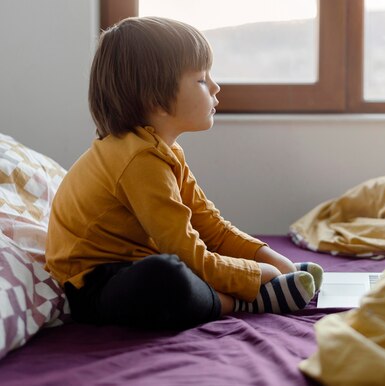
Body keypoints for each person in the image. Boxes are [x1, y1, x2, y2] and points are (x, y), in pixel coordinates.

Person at [45, 16, 323, 330]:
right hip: (94, 287)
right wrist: (255, 275)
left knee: (178, 266)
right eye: (202, 80)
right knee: (167, 274)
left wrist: (268, 257)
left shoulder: (164, 150)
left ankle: (234, 292)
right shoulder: (138, 159)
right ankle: (242, 301)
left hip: (133, 262)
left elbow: (210, 227)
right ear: (155, 99)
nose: (216, 87)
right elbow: (186, 250)